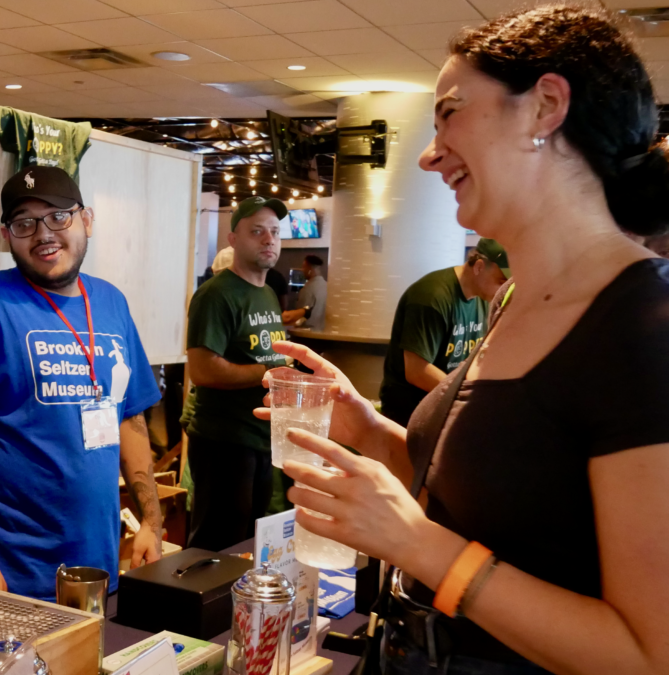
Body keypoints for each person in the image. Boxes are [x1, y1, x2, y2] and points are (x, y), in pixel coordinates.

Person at [264, 7, 669, 673]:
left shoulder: (643, 320)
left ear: (545, 106)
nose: (428, 153)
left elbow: (648, 654)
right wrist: (367, 428)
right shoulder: (513, 298)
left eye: (450, 113)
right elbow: (487, 497)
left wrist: (420, 547)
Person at [0, 166, 163, 601]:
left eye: (58, 216)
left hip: (98, 568)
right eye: (24, 223)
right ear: (6, 234)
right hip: (11, 572)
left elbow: (129, 418)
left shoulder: (112, 303)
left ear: (86, 220)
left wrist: (151, 522)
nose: (43, 233)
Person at [185, 196, 288, 551]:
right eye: (256, 231)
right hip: (223, 441)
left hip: (260, 438)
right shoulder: (216, 294)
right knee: (215, 547)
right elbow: (202, 370)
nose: (268, 239)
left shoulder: (269, 293)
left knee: (248, 544)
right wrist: (272, 371)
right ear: (233, 240)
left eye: (274, 232)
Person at [379, 238, 508, 427]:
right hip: (410, 410)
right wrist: (465, 401)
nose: (503, 290)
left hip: (445, 405)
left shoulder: (484, 298)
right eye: (501, 281)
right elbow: (416, 371)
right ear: (479, 267)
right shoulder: (431, 297)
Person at [281, 254, 327, 330]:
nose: (302, 270)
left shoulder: (307, 289)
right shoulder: (327, 286)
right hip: (324, 332)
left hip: (308, 333)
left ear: (309, 268)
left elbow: (300, 317)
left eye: (304, 266)